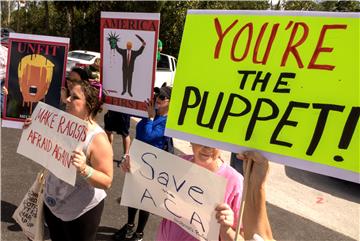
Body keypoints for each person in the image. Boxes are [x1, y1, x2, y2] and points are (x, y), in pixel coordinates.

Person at [24, 79, 113, 241]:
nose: (68, 99)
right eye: (69, 96)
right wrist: (32, 129)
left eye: (75, 97)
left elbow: (107, 181)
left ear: (90, 105)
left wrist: (85, 168)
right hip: (53, 203)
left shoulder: (98, 138)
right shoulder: (60, 122)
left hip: (81, 211)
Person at [153, 147, 274, 241]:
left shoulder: (235, 181)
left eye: (214, 143)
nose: (207, 147)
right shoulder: (178, 163)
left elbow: (246, 236)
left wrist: (226, 229)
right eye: (201, 138)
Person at [114, 86, 173, 241]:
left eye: (162, 97)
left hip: (153, 166)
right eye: (156, 96)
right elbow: (139, 133)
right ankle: (129, 226)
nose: (157, 99)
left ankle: (139, 233)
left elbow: (147, 136)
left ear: (170, 102)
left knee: (145, 200)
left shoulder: (167, 121)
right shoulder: (150, 113)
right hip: (138, 160)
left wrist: (151, 118)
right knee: (132, 196)